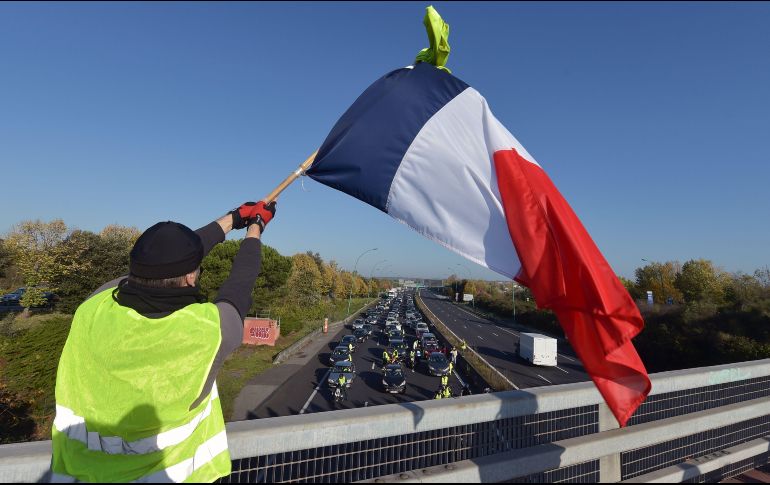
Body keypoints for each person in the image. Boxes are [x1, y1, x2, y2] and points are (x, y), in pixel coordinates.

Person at [51, 200, 277, 482]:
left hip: (75, 475)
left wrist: (233, 218)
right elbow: (240, 282)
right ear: (191, 277)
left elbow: (160, 265)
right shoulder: (209, 331)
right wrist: (255, 226)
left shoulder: (92, 308)